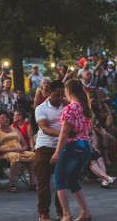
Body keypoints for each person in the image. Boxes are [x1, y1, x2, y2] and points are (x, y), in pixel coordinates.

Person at [51, 79, 92, 221]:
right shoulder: (85, 107)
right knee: (73, 180)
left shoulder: (69, 109)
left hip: (73, 146)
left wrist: (57, 152)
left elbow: (64, 132)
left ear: (67, 90)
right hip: (86, 145)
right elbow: (88, 128)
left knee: (59, 179)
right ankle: (85, 212)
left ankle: (66, 214)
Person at [34, 80, 66, 221]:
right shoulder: (41, 108)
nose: (60, 98)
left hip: (63, 146)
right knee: (43, 182)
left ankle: (62, 211)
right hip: (44, 147)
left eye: (62, 95)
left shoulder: (66, 105)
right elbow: (44, 129)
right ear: (50, 92)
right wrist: (62, 135)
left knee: (61, 181)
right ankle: (44, 213)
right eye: (57, 95)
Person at [0, 109, 37, 193]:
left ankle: (33, 183)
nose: (6, 119)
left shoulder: (15, 129)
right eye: (3, 118)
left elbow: (25, 144)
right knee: (15, 156)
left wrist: (22, 149)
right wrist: (12, 150)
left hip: (18, 152)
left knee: (33, 155)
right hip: (4, 153)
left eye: (7, 118)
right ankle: (13, 184)